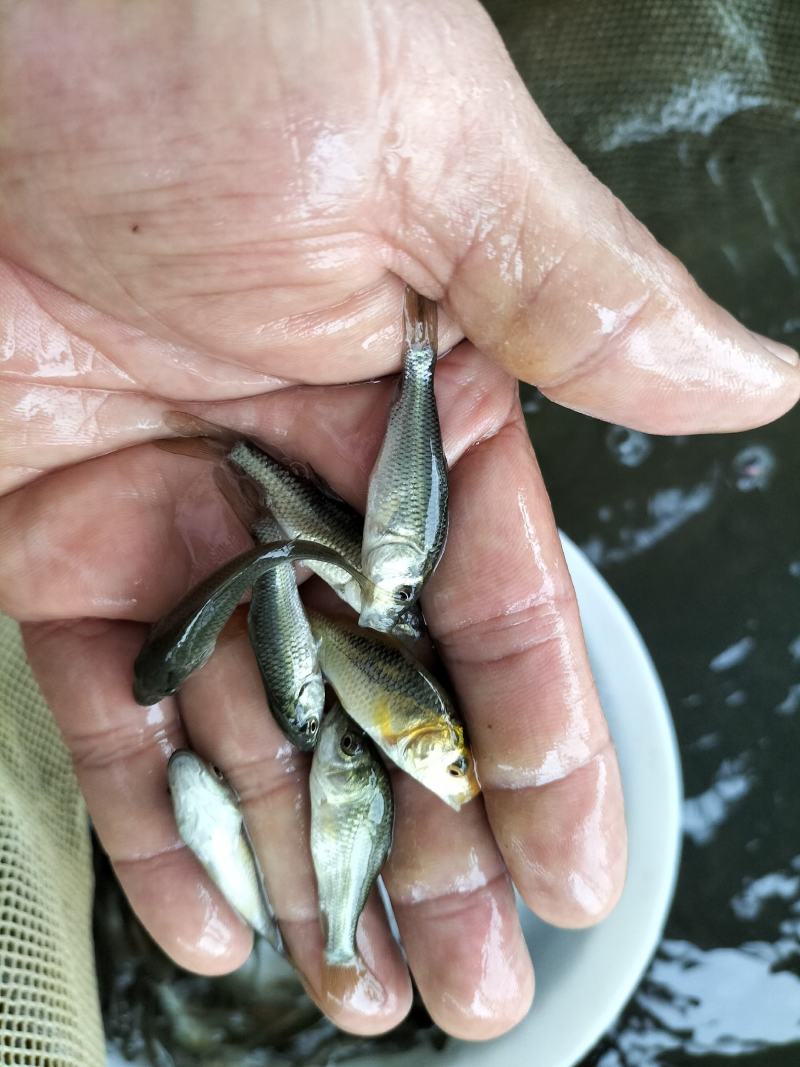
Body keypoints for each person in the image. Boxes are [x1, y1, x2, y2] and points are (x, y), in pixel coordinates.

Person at [0, 0, 796, 1042]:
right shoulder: (391, 660)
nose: (444, 772)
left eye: (447, 769)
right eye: (449, 760)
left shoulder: (362, 671)